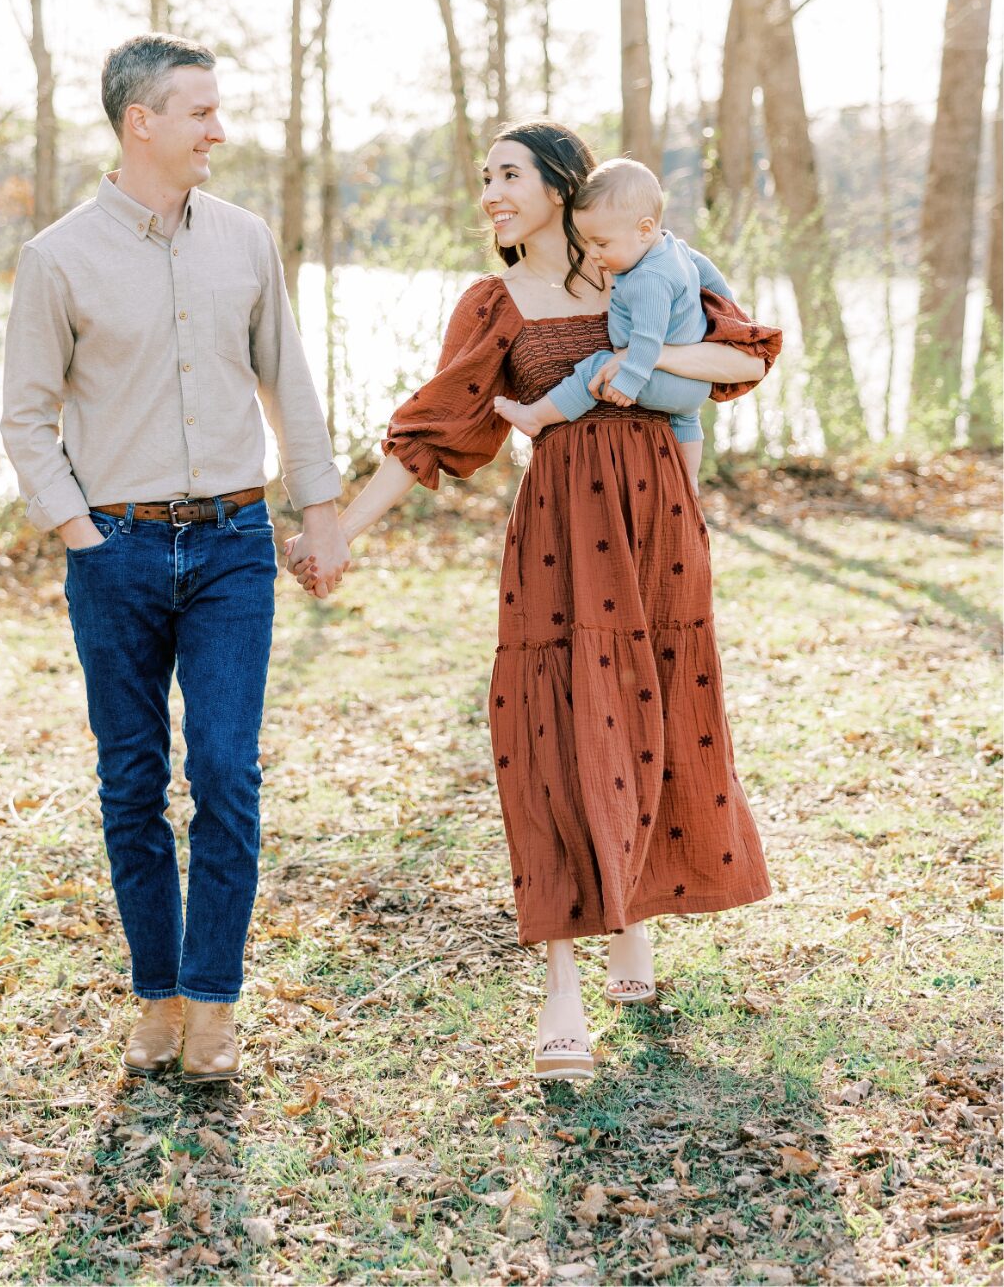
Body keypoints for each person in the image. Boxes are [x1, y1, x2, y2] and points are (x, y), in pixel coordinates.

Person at [289, 122, 778, 1082]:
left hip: (660, 523)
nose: (492, 194)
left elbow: (750, 360)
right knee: (553, 727)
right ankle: (563, 979)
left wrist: (630, 365)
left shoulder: (647, 266)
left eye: (507, 174)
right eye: (484, 179)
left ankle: (632, 915)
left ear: (560, 184)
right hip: (560, 534)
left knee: (658, 711)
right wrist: (340, 529)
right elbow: (429, 434)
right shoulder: (495, 303)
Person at [1, 33, 349, 1084]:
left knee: (228, 773)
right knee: (132, 779)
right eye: (200, 110)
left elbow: (288, 378)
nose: (220, 128)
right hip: (117, 550)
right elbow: (25, 417)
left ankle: (213, 1001)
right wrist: (81, 533)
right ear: (139, 120)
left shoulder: (244, 238)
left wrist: (320, 507)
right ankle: (154, 994)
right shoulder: (56, 256)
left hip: (236, 545)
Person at [494, 156, 734, 490]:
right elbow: (711, 278)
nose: (592, 253)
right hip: (692, 385)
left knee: (599, 366)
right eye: (586, 242)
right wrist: (733, 314)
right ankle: (689, 480)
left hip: (659, 375)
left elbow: (647, 339)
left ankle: (536, 416)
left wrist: (630, 380)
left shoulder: (648, 278)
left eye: (602, 244)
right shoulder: (675, 250)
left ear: (644, 229)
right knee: (685, 418)